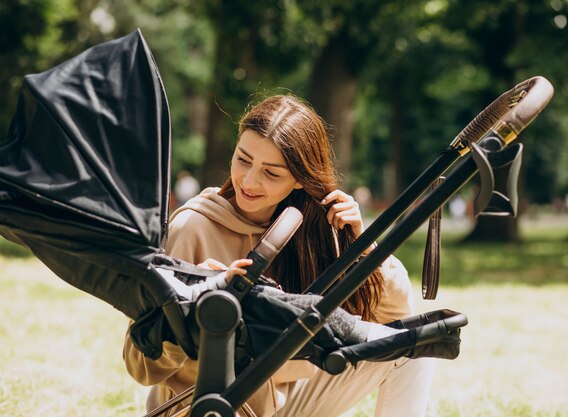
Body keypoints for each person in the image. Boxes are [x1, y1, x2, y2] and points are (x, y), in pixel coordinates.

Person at [123, 94, 435, 417]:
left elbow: (397, 312)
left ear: (300, 179)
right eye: (243, 159)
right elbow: (140, 364)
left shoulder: (309, 230)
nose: (249, 180)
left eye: (271, 173)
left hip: (279, 403)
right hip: (204, 409)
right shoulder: (192, 227)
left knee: (412, 346)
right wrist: (198, 302)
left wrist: (364, 246)